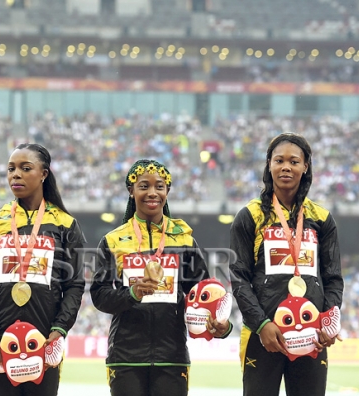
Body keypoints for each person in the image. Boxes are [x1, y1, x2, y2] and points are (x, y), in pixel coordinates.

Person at [91, 159, 232, 396]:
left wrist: (221, 325)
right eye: (144, 186)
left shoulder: (184, 239)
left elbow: (204, 295)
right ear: (131, 191)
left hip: (172, 356)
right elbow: (99, 295)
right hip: (126, 357)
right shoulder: (113, 240)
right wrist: (133, 294)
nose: (152, 193)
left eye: (160, 186)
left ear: (167, 191)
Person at [229, 132, 344, 396]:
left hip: (311, 333)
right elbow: (238, 277)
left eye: (294, 161)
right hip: (263, 336)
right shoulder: (250, 216)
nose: (286, 167)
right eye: (279, 160)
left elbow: (334, 277)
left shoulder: (322, 218)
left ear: (306, 167)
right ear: (269, 164)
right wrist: (261, 325)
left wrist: (328, 320)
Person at [0, 143, 85, 396]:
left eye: (25, 168)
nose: (15, 174)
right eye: (11, 169)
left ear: (44, 174)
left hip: (44, 341)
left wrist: (59, 329)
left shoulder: (65, 224)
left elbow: (74, 285)